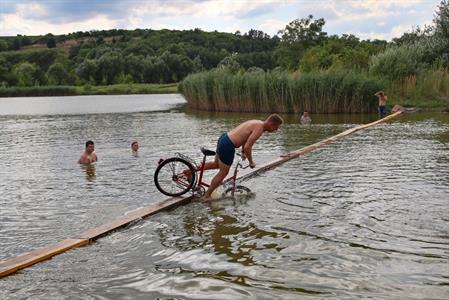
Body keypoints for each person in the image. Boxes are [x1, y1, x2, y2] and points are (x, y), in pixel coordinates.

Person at [202, 114, 283, 201]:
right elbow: (248, 146)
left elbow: (245, 137)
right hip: (228, 145)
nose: (276, 130)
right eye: (276, 128)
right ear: (272, 124)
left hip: (224, 138)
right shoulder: (259, 129)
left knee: (216, 164)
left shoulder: (257, 122)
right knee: (223, 172)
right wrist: (251, 162)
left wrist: (243, 152)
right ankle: (206, 196)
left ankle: (189, 171)